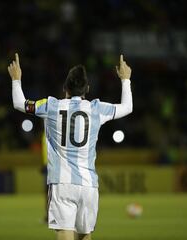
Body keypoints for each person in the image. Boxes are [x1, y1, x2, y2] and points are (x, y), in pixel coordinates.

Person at [8, 53, 133, 240]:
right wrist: (125, 80)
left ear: (65, 88)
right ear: (87, 89)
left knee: (65, 233)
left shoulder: (51, 106)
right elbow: (127, 107)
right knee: (85, 236)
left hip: (62, 182)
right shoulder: (97, 109)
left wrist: (16, 80)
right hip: (89, 184)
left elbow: (20, 104)